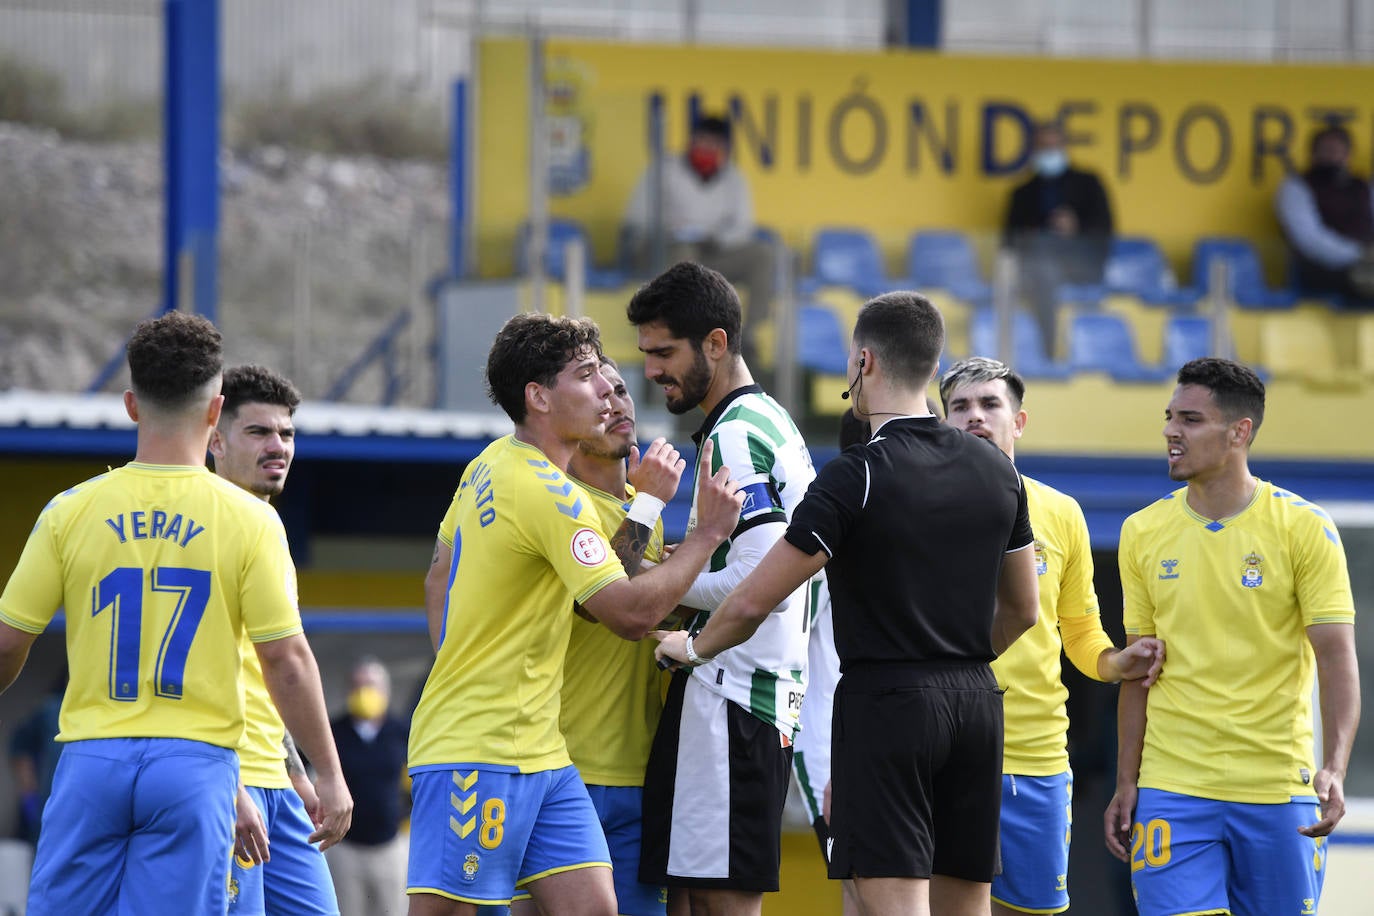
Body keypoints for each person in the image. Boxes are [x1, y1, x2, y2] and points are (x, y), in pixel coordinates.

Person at [656, 291, 1042, 916]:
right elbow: (1024, 609)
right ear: (933, 368)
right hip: (977, 702)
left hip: (887, 706)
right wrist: (957, 658)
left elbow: (757, 598)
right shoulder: (999, 471)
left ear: (864, 363)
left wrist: (691, 646)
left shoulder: (857, 473)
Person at [0, 312, 351, 916]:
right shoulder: (249, 519)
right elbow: (285, 661)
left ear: (132, 405)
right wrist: (329, 772)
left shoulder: (69, 510)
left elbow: (7, 646)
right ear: (216, 412)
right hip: (195, 767)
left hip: (91, 758)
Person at [411, 312, 743, 916]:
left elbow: (440, 570)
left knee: (595, 908)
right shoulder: (550, 492)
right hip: (482, 745)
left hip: (545, 753)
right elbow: (626, 615)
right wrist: (706, 536)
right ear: (538, 397)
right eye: (587, 377)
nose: (606, 393)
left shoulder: (488, 463)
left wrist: (453, 659)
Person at [1104, 357, 1361, 916]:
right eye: (1170, 417)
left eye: (1191, 420)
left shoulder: (1304, 527)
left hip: (1276, 788)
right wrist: (1129, 781)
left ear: (1239, 432)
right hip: (1173, 786)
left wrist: (1336, 768)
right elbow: (1139, 673)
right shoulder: (1142, 531)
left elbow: (1337, 658)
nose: (1171, 431)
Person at [938, 356, 1165, 916]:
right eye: (960, 407)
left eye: (990, 404)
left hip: (1035, 755)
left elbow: (1082, 633)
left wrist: (1115, 663)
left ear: (1018, 421)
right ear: (942, 423)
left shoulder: (1061, 513)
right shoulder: (920, 505)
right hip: (939, 747)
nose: (975, 417)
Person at [628, 261, 815, 916]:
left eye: (663, 353)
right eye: (646, 354)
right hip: (739, 697)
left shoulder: (736, 435)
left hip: (734, 700)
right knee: (688, 901)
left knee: (718, 906)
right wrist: (692, 565)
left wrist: (662, 583)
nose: (650, 370)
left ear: (715, 343)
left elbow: (762, 583)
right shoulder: (765, 421)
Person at [510, 357, 670, 916]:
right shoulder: (561, 507)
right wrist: (649, 504)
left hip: (638, 773)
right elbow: (602, 604)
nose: (616, 402)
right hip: (562, 771)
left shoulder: (641, 517)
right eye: (598, 391)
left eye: (622, 390)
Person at [210, 363, 343, 916]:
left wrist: (296, 772)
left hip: (278, 783)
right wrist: (330, 773)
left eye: (286, 433)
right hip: (224, 778)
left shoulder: (268, 527)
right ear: (215, 438)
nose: (278, 446)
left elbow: (264, 672)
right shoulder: (205, 525)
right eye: (258, 432)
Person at [623, 115, 776, 355]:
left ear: (724, 149)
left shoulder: (734, 178)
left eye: (715, 144)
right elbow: (636, 218)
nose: (708, 149)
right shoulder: (663, 169)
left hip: (711, 252)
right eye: (703, 141)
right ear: (691, 141)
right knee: (685, 255)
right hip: (663, 252)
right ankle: (680, 333)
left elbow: (743, 227)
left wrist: (715, 236)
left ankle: (747, 335)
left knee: (762, 254)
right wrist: (671, 229)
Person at [1004, 120, 1114, 348]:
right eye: (1043, 147)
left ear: (1064, 147)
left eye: (1053, 146)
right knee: (1042, 272)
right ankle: (1047, 348)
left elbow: (1105, 228)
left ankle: (1075, 351)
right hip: (1036, 268)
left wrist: (1076, 227)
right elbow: (1009, 240)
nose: (1049, 152)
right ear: (1034, 150)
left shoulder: (1089, 183)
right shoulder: (1022, 193)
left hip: (1081, 265)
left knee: (1045, 273)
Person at [328, 657, 411, 916]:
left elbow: (419, 781)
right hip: (345, 846)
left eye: (371, 685)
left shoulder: (400, 731)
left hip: (391, 844)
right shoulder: (334, 732)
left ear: (385, 691)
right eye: (358, 685)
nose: (365, 692)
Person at [1276, 123, 1374, 307]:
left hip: (1367, 265)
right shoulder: (1296, 187)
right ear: (1313, 153)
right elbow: (1309, 238)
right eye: (1327, 150)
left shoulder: (1363, 187)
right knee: (1365, 280)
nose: (1332, 156)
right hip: (1321, 268)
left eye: (1338, 151)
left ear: (1348, 154)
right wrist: (1358, 255)